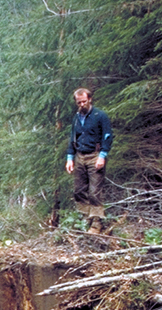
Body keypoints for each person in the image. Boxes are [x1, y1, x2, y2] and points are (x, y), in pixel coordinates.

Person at [65, 88, 113, 234]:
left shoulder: (100, 116)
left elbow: (108, 136)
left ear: (90, 99)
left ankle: (96, 223)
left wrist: (102, 155)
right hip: (80, 156)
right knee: (79, 190)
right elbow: (73, 138)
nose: (82, 105)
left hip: (95, 156)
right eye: (79, 102)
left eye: (84, 101)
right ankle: (85, 218)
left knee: (94, 191)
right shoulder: (76, 118)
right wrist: (70, 158)